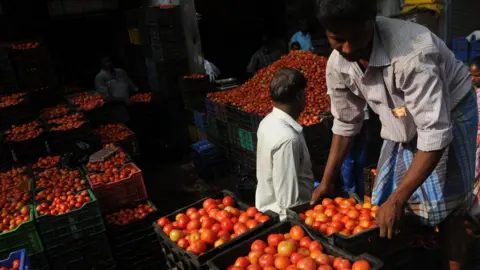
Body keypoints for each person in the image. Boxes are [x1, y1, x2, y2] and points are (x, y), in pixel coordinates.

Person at [311, 0, 476, 268]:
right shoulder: (338, 64)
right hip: (400, 115)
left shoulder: (413, 54)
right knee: (398, 203)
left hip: (450, 109)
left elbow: (434, 133)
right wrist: (328, 181)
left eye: (357, 37)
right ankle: (418, 250)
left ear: (372, 22)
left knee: (449, 209)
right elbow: (345, 123)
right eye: (338, 40)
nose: (349, 49)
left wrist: (396, 199)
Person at [256, 67, 314, 219]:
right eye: (304, 93)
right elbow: (289, 201)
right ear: (299, 95)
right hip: (283, 219)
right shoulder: (288, 139)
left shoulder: (267, 122)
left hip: (268, 208)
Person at [94, 56, 138, 123]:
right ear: (101, 64)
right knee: (125, 124)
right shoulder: (100, 77)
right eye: (106, 62)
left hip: (131, 102)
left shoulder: (120, 71)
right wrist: (123, 99)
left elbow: (129, 83)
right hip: (116, 107)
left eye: (110, 60)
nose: (109, 63)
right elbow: (106, 98)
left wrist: (136, 93)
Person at [338, 105, 369, 198]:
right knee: (359, 158)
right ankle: (361, 193)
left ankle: (349, 195)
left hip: (346, 117)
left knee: (347, 159)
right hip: (362, 115)